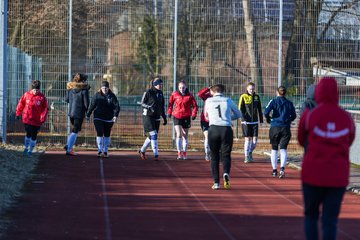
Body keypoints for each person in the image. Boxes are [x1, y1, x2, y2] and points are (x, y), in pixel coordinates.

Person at [298, 77, 355, 240]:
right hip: (338, 175)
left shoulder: (309, 116)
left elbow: (302, 141)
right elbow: (349, 141)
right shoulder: (347, 117)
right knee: (330, 220)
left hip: (312, 174)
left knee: (311, 216)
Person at [204, 84, 241, 190]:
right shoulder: (227, 100)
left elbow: (206, 117)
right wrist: (229, 118)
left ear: (213, 91)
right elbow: (238, 114)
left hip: (213, 129)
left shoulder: (208, 101)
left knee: (214, 156)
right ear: (223, 91)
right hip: (226, 128)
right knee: (226, 154)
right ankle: (226, 173)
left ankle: (216, 182)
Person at [264, 86, 296, 178]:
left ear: (277, 92)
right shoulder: (289, 103)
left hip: (275, 127)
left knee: (274, 149)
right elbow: (293, 115)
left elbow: (266, 112)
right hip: (285, 128)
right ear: (285, 93)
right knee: (283, 149)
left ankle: (274, 170)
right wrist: (288, 120)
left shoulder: (273, 101)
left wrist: (269, 118)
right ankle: (282, 169)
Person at [86, 81, 120, 158]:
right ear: (101, 88)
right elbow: (92, 105)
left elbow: (116, 107)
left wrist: (115, 116)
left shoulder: (112, 96)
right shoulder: (97, 96)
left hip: (109, 118)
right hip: (98, 117)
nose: (105, 89)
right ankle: (99, 150)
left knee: (107, 134)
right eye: (103, 87)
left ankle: (105, 151)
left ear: (108, 88)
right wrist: (88, 114)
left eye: (106, 87)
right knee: (100, 132)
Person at [16, 80, 48, 157]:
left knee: (34, 135)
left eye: (37, 90)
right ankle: (26, 148)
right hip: (27, 118)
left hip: (37, 120)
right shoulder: (26, 95)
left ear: (39, 89)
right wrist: (18, 113)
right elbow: (21, 104)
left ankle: (31, 150)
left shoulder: (42, 97)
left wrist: (42, 117)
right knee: (28, 133)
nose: (35, 91)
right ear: (31, 89)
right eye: (34, 90)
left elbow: (45, 108)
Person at [167, 80, 198, 160]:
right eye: (180, 87)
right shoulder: (174, 94)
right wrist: (169, 112)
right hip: (177, 116)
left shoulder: (190, 96)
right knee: (179, 134)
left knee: (185, 135)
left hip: (186, 116)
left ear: (186, 87)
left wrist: (194, 114)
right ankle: (179, 153)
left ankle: (184, 152)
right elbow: (170, 104)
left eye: (183, 87)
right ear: (178, 87)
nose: (182, 89)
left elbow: (195, 106)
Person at [138, 77, 167, 161]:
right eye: (159, 84)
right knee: (153, 135)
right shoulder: (148, 92)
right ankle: (156, 154)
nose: (161, 86)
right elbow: (142, 103)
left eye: (161, 84)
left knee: (152, 137)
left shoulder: (161, 93)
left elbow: (162, 107)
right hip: (148, 116)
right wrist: (149, 107)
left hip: (157, 117)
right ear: (155, 84)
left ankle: (142, 150)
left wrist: (164, 118)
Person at [64, 73, 90, 156]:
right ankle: (69, 149)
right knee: (75, 131)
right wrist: (88, 113)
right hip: (79, 113)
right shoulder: (84, 90)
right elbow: (86, 104)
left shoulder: (70, 89)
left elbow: (66, 100)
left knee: (75, 130)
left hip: (71, 113)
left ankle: (68, 145)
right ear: (82, 81)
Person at [238, 82, 263, 163]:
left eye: (253, 89)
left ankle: (250, 152)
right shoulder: (243, 96)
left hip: (255, 121)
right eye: (250, 89)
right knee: (247, 139)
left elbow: (259, 109)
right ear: (247, 89)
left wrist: (261, 120)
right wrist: (242, 119)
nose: (251, 90)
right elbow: (240, 109)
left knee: (255, 141)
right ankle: (246, 157)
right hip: (246, 122)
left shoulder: (257, 97)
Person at [198, 86, 213, 161]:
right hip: (205, 120)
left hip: (214, 121)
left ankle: (213, 152)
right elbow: (200, 94)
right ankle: (207, 153)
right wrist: (207, 88)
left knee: (213, 138)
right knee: (207, 136)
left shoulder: (218, 98)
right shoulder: (207, 97)